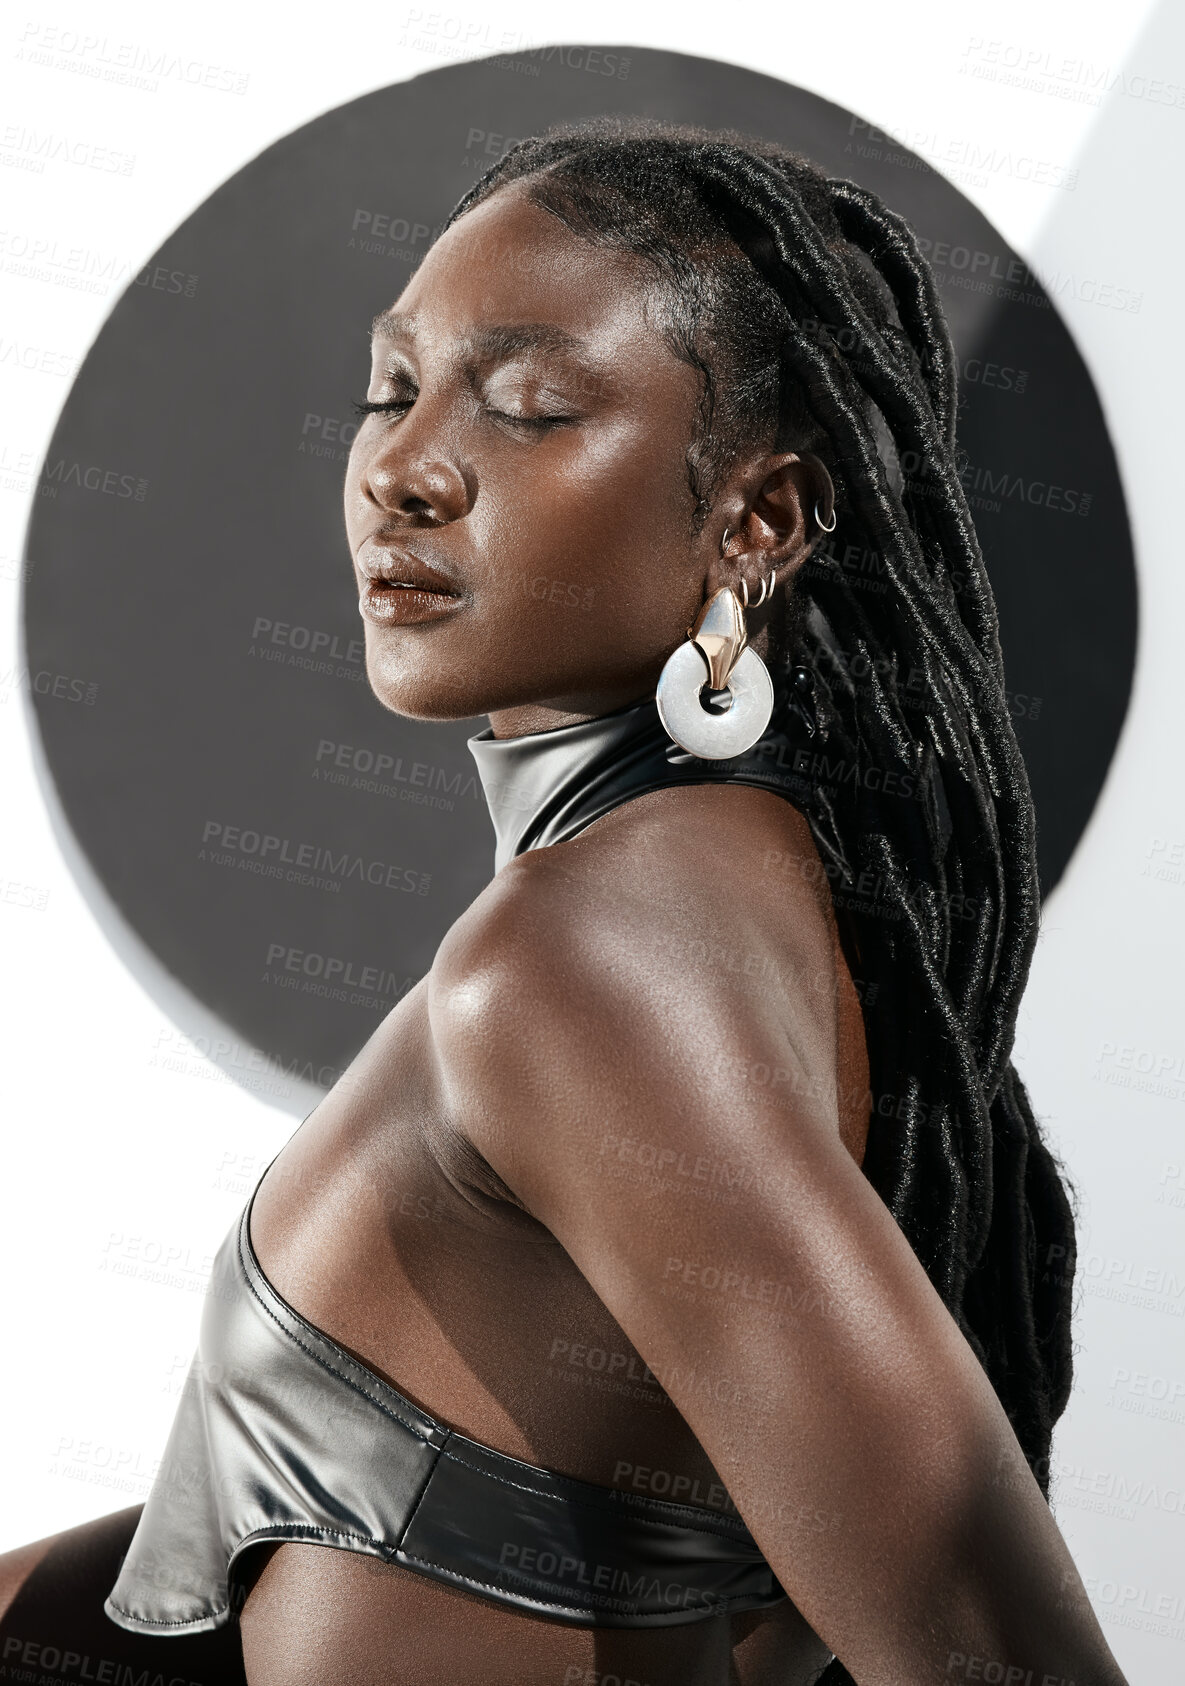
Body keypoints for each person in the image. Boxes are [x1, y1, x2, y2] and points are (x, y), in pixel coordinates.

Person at [0, 118, 1132, 1686]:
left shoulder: (584, 956)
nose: (403, 468)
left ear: (755, 523)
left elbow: (996, 1648)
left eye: (530, 407)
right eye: (390, 389)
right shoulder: (722, 900)